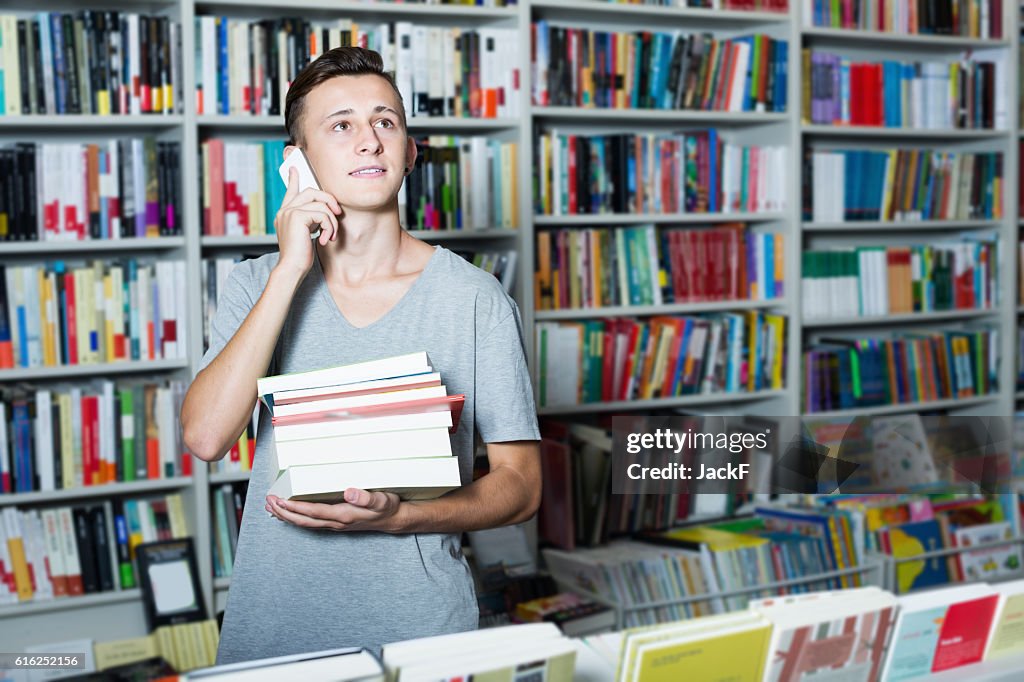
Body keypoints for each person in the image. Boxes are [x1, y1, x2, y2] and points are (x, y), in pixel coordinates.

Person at [180, 46, 541, 663]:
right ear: (297, 165)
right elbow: (208, 437)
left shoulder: (474, 298)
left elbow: (522, 487)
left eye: (386, 121)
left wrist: (401, 519)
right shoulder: (256, 285)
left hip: (423, 635)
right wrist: (291, 268)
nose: (369, 141)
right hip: (273, 634)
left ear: (409, 150)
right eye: (340, 125)